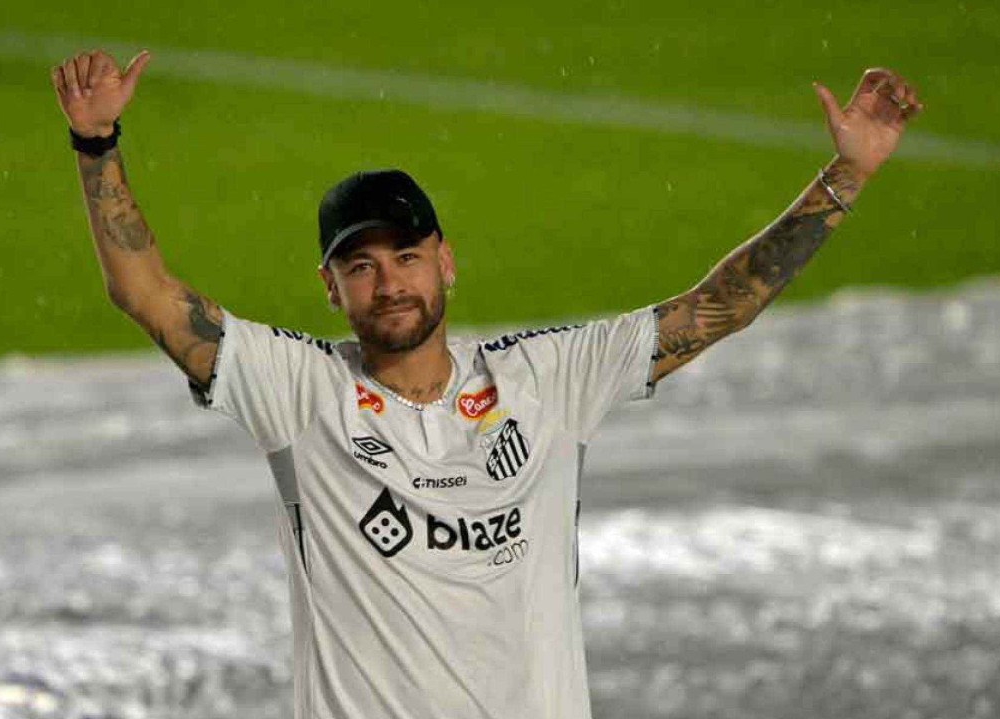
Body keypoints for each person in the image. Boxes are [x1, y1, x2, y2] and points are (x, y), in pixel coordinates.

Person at [52, 49, 922, 718]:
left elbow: (715, 308)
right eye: (360, 265)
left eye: (406, 256)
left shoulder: (545, 378)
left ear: (446, 262)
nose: (389, 282)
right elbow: (147, 294)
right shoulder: (299, 390)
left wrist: (846, 175)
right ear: (330, 287)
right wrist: (97, 143)